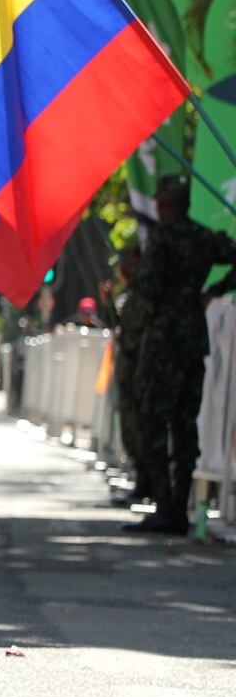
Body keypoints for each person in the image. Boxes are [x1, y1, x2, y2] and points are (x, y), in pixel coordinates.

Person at [124, 174, 236, 535]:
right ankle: (180, 508)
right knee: (185, 424)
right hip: (193, 335)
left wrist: (135, 274)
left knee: (153, 419)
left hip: (163, 340)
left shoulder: (164, 237)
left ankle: (165, 507)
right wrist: (212, 290)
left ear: (166, 204)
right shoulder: (203, 238)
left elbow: (149, 285)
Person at [99, 248, 147, 502]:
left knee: (141, 429)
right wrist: (107, 301)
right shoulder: (130, 297)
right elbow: (118, 326)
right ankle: (143, 481)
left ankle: (148, 483)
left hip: (141, 373)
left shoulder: (145, 296)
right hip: (129, 373)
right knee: (130, 429)